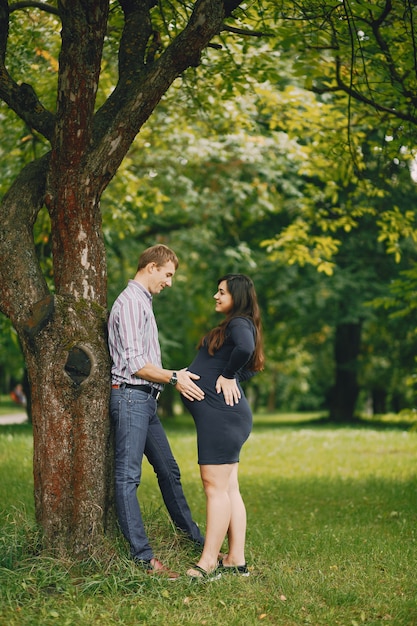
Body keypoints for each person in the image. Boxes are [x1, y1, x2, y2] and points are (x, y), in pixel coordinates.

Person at [108, 244, 205, 580]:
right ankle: (143, 558)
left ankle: (196, 542)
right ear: (151, 267)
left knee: (169, 470)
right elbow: (136, 365)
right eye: (168, 275)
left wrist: (169, 379)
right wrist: (175, 376)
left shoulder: (143, 303)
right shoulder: (131, 303)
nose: (170, 283)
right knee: (127, 478)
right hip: (131, 398)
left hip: (145, 401)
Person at [182, 274, 264, 580]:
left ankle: (208, 564)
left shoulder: (238, 324)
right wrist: (228, 376)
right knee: (228, 487)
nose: (216, 296)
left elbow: (245, 350)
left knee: (214, 487)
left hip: (222, 417)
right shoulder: (240, 323)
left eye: (221, 292)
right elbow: (254, 364)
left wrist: (228, 376)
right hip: (226, 415)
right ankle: (235, 559)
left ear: (237, 296)